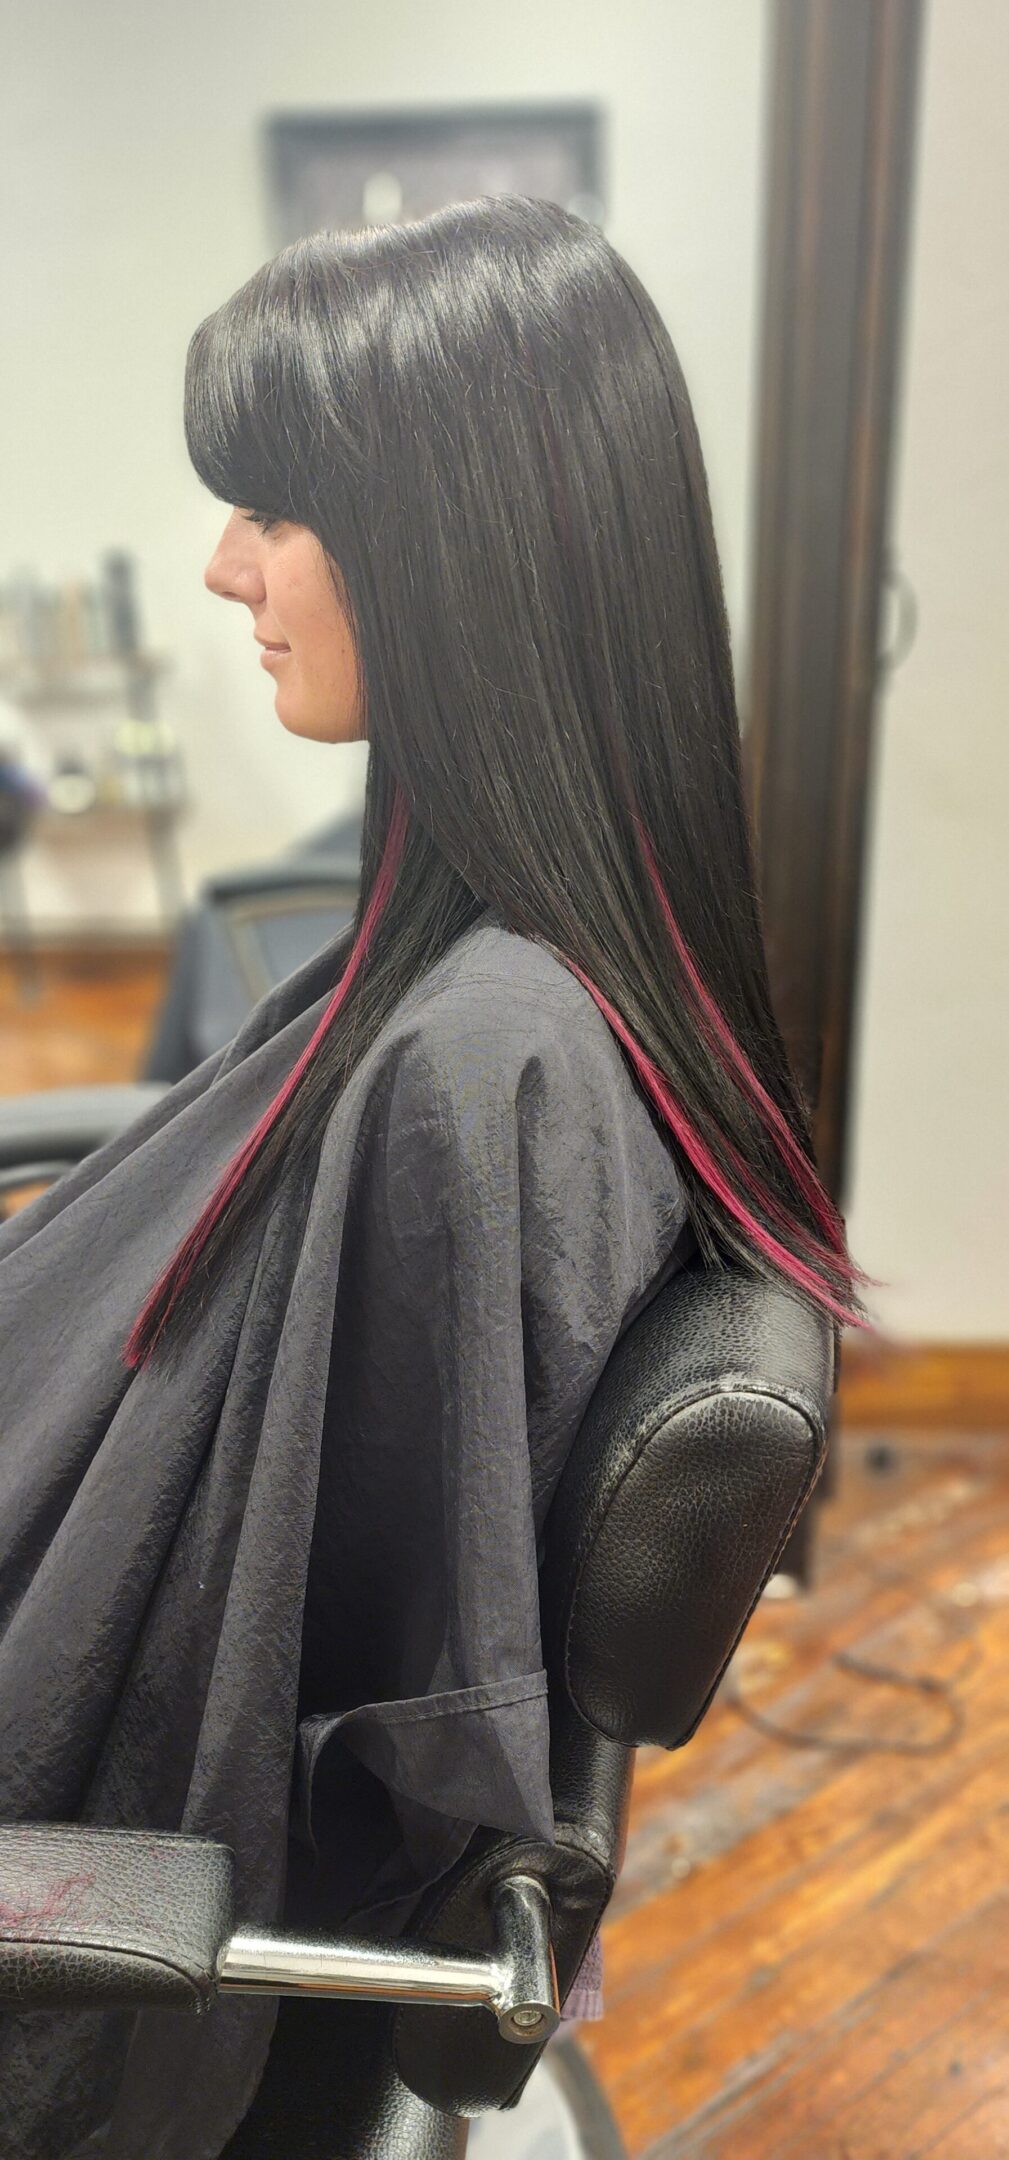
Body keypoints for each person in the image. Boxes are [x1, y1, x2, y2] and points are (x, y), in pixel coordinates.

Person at [0, 193, 864, 2160]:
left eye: (276, 509)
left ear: (460, 556)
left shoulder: (481, 1081)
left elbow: (333, 1730)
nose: (223, 566)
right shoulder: (508, 965)